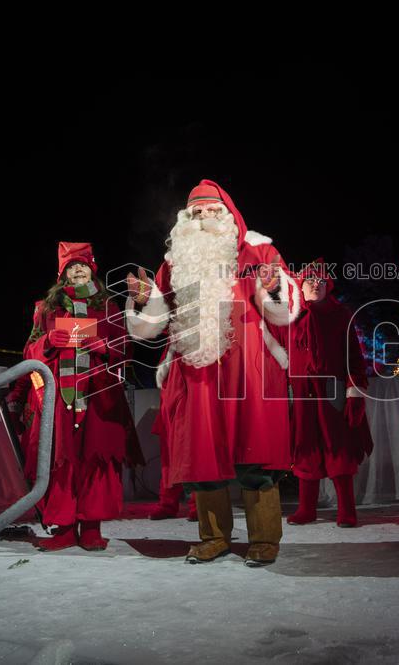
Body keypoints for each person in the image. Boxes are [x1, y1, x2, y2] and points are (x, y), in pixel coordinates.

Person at [126, 180, 300, 566]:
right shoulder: (175, 262)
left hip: (248, 369)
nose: (204, 218)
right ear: (186, 221)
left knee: (256, 456)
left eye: (211, 211)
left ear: (228, 214)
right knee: (202, 458)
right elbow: (155, 317)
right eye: (196, 213)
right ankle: (214, 537)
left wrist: (273, 289)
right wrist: (142, 300)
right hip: (196, 370)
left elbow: (283, 309)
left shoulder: (257, 250)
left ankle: (265, 539)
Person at [17, 242, 139, 551]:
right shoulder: (45, 309)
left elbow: (126, 349)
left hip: (99, 393)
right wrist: (47, 342)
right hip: (59, 395)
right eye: (72, 266)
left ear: (92, 269)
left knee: (96, 457)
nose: (78, 270)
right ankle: (64, 528)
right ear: (63, 274)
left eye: (82, 265)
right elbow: (29, 351)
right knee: (60, 458)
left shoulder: (108, 306)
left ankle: (92, 527)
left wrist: (105, 348)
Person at [285, 258, 373, 527]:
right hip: (301, 391)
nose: (315, 285)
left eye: (320, 281)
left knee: (338, 446)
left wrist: (354, 389)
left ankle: (347, 509)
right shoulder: (290, 317)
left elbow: (354, 356)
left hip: (331, 386)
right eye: (309, 281)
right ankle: (306, 508)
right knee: (305, 445)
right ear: (300, 287)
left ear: (328, 287)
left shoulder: (340, 315)